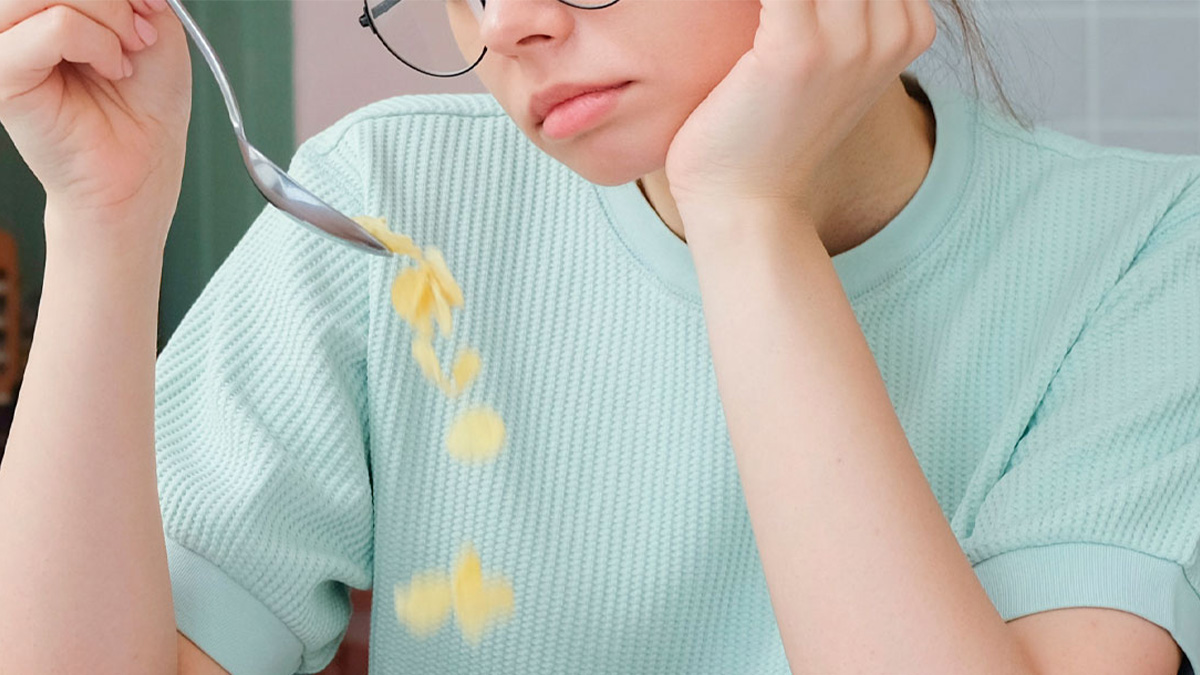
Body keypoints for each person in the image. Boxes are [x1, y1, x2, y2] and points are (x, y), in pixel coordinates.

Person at [0, 0, 1196, 673]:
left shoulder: (1145, 252)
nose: (507, 24)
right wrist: (104, 228)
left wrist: (745, 218)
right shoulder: (398, 200)